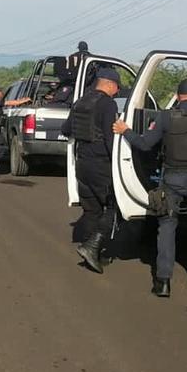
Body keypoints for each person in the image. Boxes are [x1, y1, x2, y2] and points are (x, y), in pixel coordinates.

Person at [112, 77, 187, 297]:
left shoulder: (166, 117)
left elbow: (145, 144)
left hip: (173, 180)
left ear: (177, 97)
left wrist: (125, 130)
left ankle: (163, 281)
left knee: (167, 227)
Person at [65, 67, 123, 273]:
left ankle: (91, 252)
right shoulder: (108, 104)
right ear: (109, 84)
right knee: (114, 207)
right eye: (117, 87)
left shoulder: (80, 102)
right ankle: (92, 247)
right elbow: (110, 139)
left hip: (82, 163)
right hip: (101, 165)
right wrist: (120, 164)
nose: (117, 91)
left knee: (91, 210)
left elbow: (66, 129)